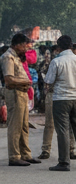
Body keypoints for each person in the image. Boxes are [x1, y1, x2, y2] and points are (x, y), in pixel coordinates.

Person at [44, 35, 76, 171]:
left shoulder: (56, 61)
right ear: (71, 45)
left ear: (58, 47)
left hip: (61, 98)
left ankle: (64, 162)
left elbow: (49, 80)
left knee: (62, 130)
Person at [2, 33, 38, 165]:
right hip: (15, 92)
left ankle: (25, 154)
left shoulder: (17, 56)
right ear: (16, 45)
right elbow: (8, 78)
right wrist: (24, 81)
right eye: (23, 45)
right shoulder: (8, 57)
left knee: (24, 126)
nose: (25, 48)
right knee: (15, 126)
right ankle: (14, 156)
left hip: (22, 92)